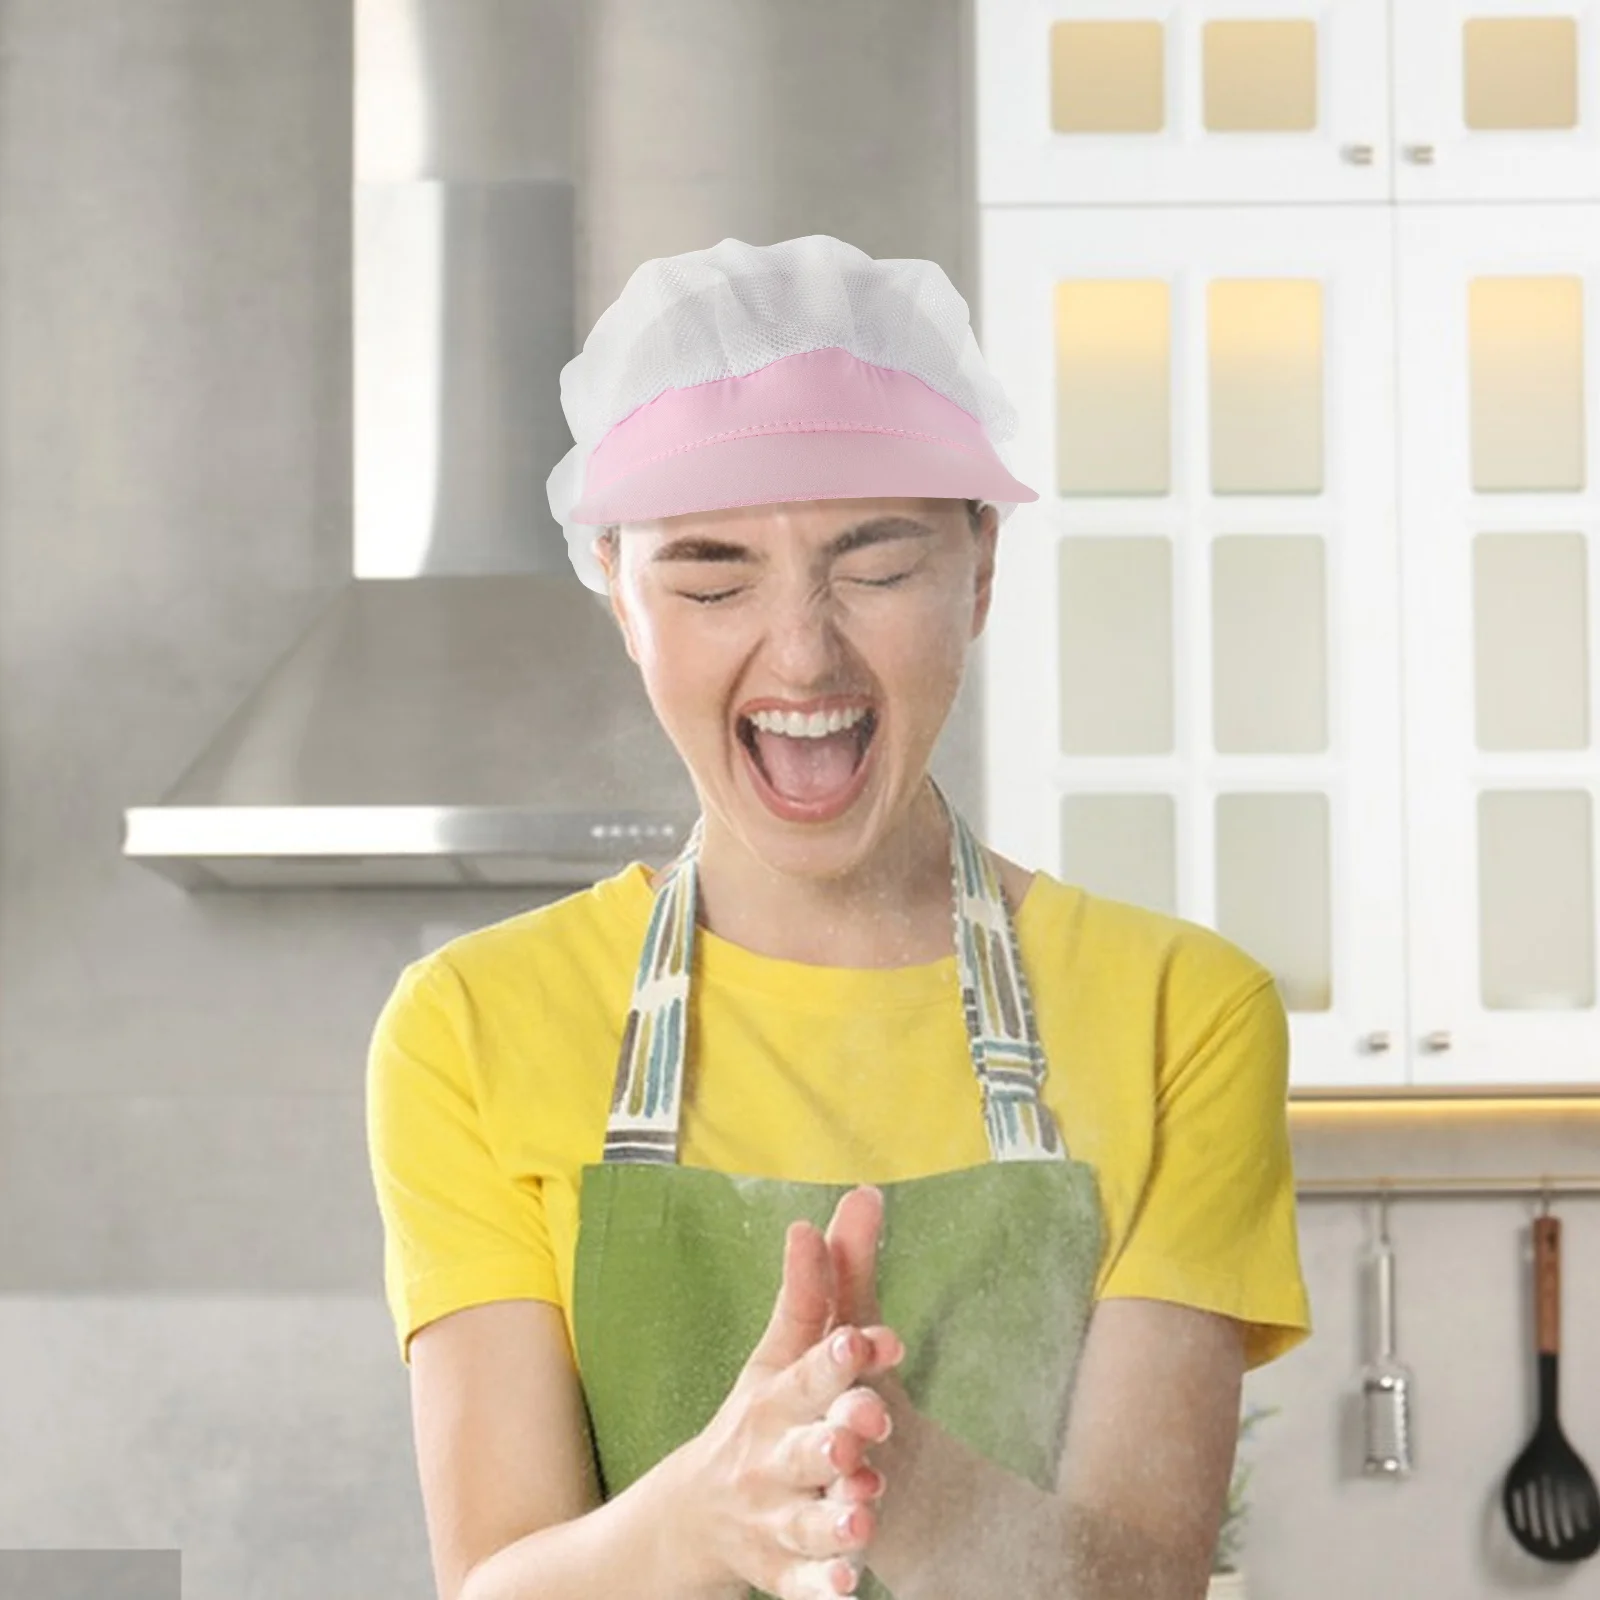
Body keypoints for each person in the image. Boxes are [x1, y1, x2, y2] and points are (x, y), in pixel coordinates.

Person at [365, 234, 1313, 1600]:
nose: (803, 649)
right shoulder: (469, 1026)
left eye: (874, 565)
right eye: (709, 575)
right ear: (622, 598)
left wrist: (901, 1488)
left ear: (978, 572)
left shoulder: (1184, 1014)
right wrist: (711, 1512)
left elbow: (1142, 1587)